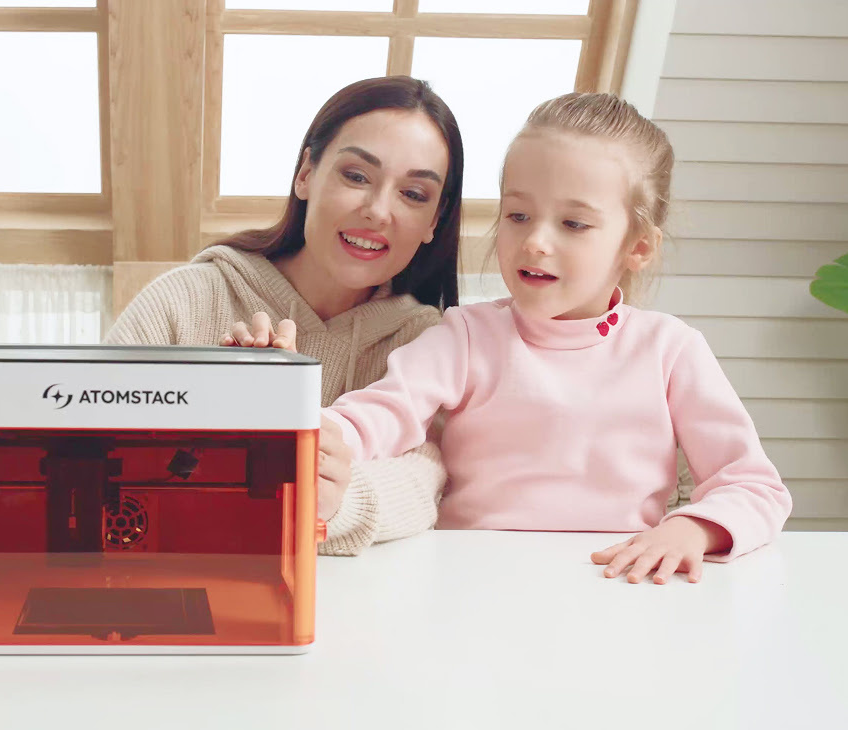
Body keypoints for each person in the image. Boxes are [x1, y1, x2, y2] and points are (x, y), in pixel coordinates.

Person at [321, 92, 792, 582]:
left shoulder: (670, 350)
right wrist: (316, 439)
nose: (535, 242)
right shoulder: (466, 335)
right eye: (518, 215)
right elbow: (381, 412)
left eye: (573, 223)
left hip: (614, 589)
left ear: (638, 246)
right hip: (470, 585)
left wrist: (691, 530)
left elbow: (756, 487)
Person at [105, 76, 464, 556]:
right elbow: (89, 452)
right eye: (357, 176)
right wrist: (208, 418)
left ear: (434, 221)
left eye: (414, 194)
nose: (378, 211)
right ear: (306, 175)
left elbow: (427, 481)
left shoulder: (426, 341)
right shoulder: (186, 300)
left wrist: (334, 501)